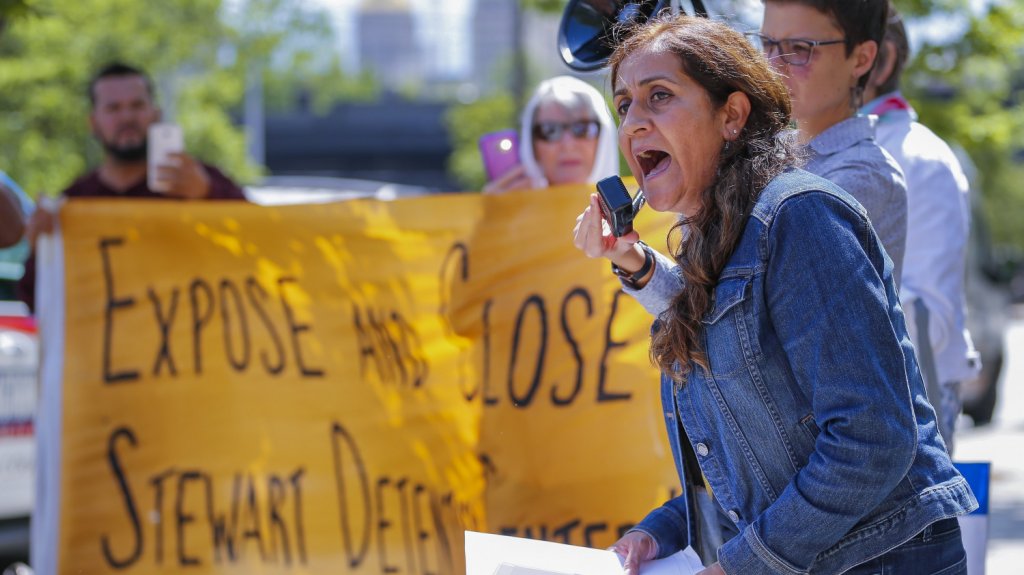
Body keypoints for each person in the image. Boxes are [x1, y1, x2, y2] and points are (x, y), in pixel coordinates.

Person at [573, 15, 975, 575]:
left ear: (732, 116)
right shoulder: (712, 240)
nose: (634, 124)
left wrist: (743, 564)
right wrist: (658, 532)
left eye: (658, 96)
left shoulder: (800, 215)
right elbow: (752, 461)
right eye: (624, 106)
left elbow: (871, 438)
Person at [17, 62, 246, 311]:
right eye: (113, 108)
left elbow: (260, 243)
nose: (127, 117)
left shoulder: (199, 183)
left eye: (137, 106)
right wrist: (41, 249)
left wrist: (209, 196)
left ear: (155, 115)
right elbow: (36, 301)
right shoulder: (74, 201)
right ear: (93, 122)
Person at [860, 9, 980, 454]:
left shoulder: (921, 158)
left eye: (806, 48)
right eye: (774, 46)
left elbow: (931, 320)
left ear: (879, 61)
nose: (781, 66)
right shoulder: (811, 148)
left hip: (906, 409)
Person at [748, 0, 908, 282]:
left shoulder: (862, 175)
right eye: (767, 43)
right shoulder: (775, 151)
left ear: (862, 59)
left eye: (799, 49)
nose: (773, 67)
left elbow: (742, 306)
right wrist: (642, 264)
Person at [483, 75, 618, 193]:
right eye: (550, 130)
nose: (568, 145)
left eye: (583, 129)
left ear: (603, 138)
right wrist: (492, 218)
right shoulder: (506, 215)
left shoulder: (635, 213)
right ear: (531, 144)